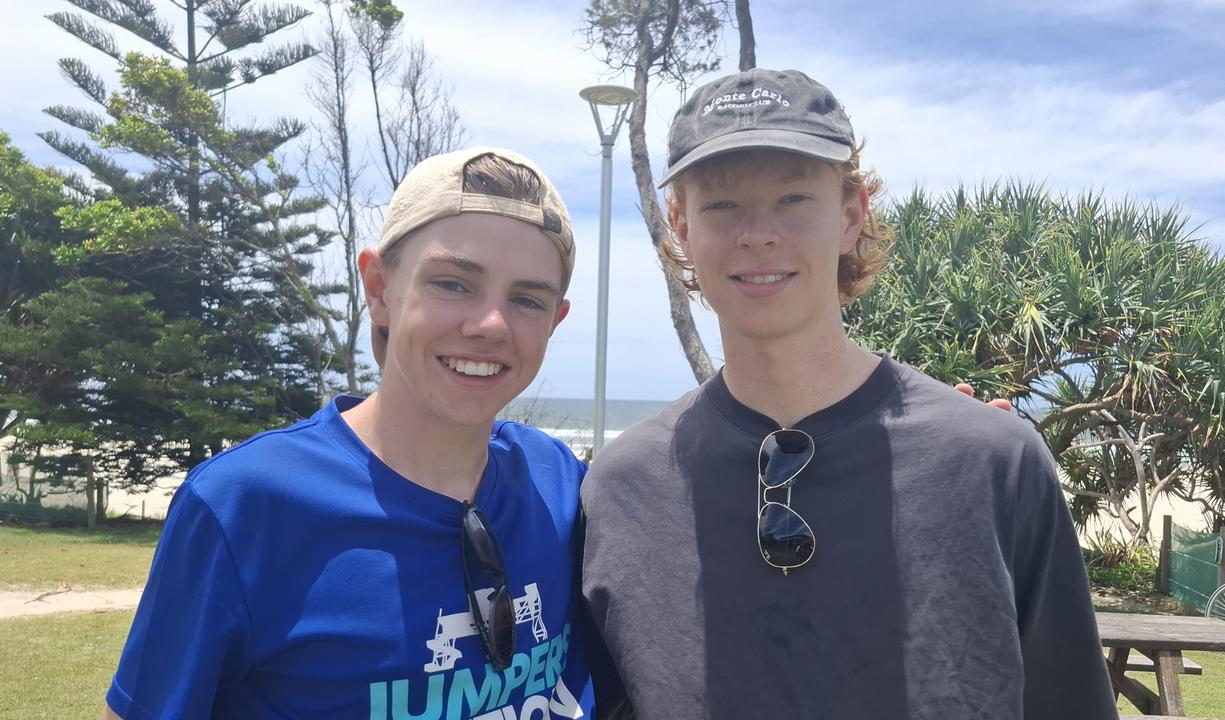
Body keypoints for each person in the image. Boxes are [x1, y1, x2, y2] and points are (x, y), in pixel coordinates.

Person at [580, 69, 1117, 719]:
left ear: (852, 213)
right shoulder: (621, 485)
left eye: (794, 198)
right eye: (722, 205)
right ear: (681, 228)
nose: (758, 233)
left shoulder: (994, 460)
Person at [101, 148, 595, 720]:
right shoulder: (247, 506)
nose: (490, 324)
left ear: (555, 321)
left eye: (527, 299)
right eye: (454, 284)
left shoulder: (560, 484)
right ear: (380, 288)